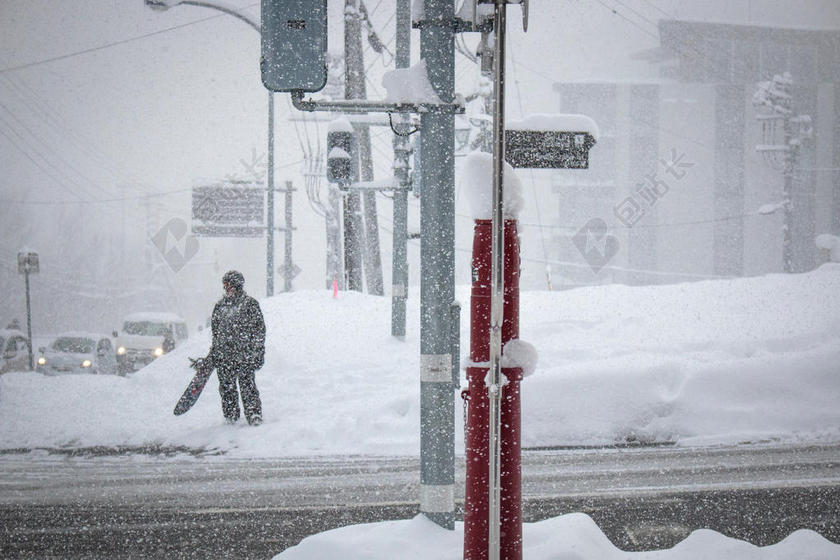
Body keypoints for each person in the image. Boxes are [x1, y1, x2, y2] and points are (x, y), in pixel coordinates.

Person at [205, 270, 266, 426]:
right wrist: (215, 352)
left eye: (229, 285)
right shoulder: (220, 307)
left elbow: (259, 330)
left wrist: (257, 352)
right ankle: (231, 417)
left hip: (244, 356)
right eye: (224, 285)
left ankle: (254, 415)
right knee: (226, 388)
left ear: (237, 286)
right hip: (225, 357)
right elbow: (216, 331)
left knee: (248, 386)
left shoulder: (249, 304)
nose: (226, 288)